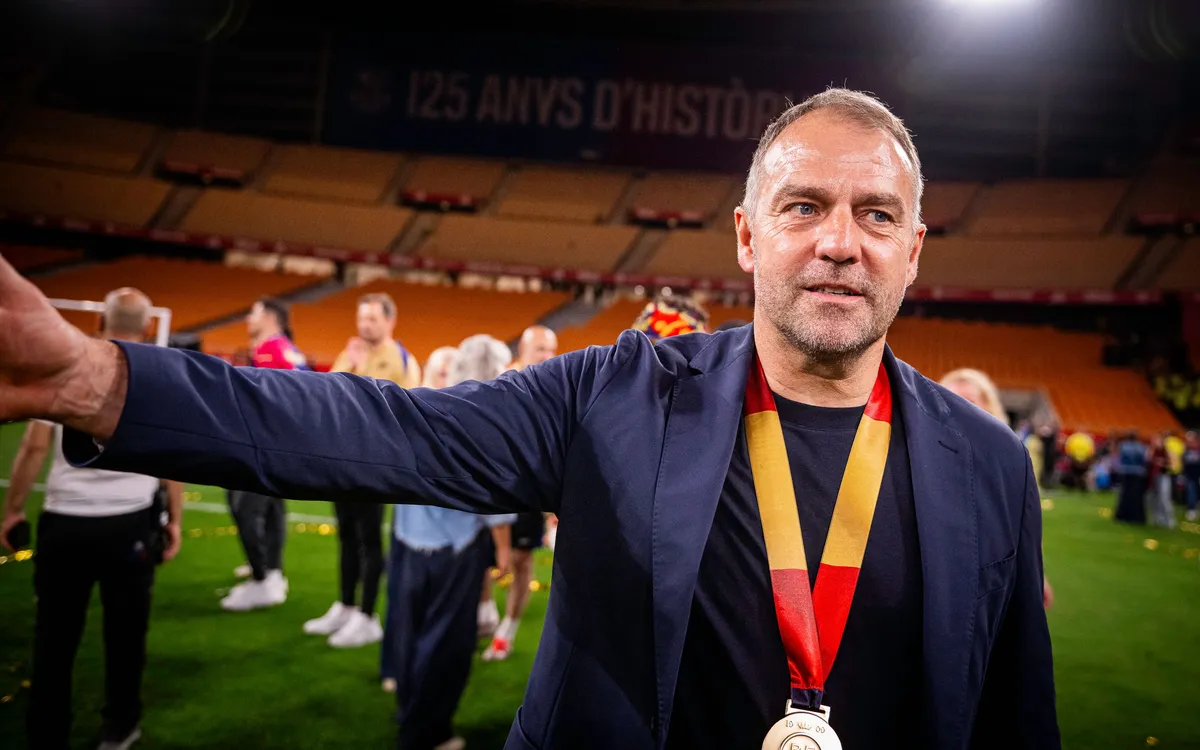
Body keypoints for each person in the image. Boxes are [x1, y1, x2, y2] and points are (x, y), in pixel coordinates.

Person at [0, 88, 1059, 749]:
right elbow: (382, 429)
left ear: (913, 250)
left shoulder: (989, 466)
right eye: (804, 207)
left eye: (876, 214)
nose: (839, 241)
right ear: (747, 237)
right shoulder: (614, 395)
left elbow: (1016, 718)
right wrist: (96, 381)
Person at [0, 288, 184, 750]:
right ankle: (120, 728)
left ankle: (47, 734)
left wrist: (13, 509)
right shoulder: (158, 375)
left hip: (67, 523)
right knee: (126, 636)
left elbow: (35, 446)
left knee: (54, 639)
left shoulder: (68, 365)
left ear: (101, 320)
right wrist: (175, 519)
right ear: (148, 326)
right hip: (130, 523)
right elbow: (172, 459)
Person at [379, 335, 517, 750]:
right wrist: (503, 549)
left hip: (408, 544)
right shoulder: (480, 420)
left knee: (409, 633)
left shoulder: (419, 409)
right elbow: (492, 499)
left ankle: (409, 712)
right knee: (445, 646)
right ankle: (427, 733)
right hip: (453, 552)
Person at [304, 293, 418, 647]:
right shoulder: (350, 352)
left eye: (372, 319)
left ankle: (368, 616)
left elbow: (399, 411)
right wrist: (351, 364)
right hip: (342, 461)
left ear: (390, 321)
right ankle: (346, 605)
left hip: (374, 465)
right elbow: (329, 397)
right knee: (347, 536)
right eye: (362, 318)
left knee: (369, 539)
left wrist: (357, 370)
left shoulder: (401, 360)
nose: (365, 325)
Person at [940, 368, 1054, 609]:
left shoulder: (1009, 460)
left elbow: (1024, 526)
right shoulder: (920, 455)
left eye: (969, 401)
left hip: (989, 580)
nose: (956, 408)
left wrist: (1037, 575)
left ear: (989, 408)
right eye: (947, 400)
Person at [221, 297, 307, 611]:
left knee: (243, 507)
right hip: (282, 444)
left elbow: (266, 402)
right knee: (272, 509)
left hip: (267, 444)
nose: (248, 317)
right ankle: (272, 571)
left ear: (270, 317)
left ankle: (262, 579)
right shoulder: (285, 348)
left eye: (254, 312)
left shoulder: (270, 349)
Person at [483, 325, 559, 662]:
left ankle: (507, 631)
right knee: (483, 557)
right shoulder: (502, 382)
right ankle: (484, 611)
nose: (547, 356)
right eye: (540, 348)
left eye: (551, 349)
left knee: (521, 560)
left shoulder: (556, 387)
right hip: (494, 485)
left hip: (529, 488)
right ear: (523, 350)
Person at [1114, 431, 1149, 525]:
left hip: (1125, 471)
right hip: (1138, 473)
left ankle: (1122, 515)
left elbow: (1120, 457)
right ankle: (1136, 517)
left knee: (1124, 494)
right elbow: (1144, 460)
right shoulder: (1141, 447)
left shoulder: (1123, 446)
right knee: (1136, 496)